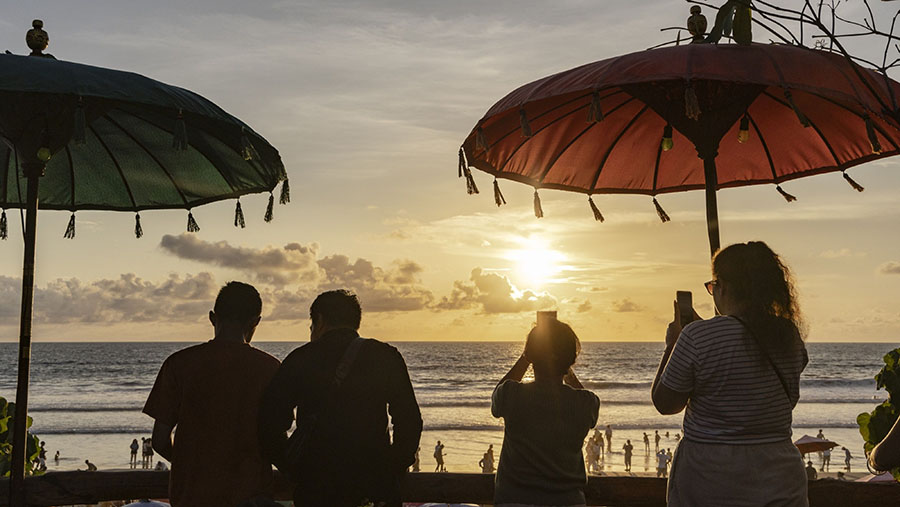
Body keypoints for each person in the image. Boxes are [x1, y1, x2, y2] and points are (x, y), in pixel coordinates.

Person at [651, 242, 809, 507]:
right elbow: (778, 399)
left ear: (722, 285)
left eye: (713, 286)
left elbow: (665, 403)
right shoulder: (787, 335)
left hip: (710, 476)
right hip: (779, 475)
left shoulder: (696, 337)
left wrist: (673, 345)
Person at [259, 290, 423, 507]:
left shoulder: (300, 359)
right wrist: (390, 468)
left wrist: (294, 469)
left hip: (318, 487)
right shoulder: (385, 356)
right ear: (355, 321)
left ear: (319, 320)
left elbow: (269, 425)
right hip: (374, 487)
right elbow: (409, 420)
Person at [143, 282, 281, 507]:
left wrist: (189, 465)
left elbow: (159, 440)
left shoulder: (179, 364)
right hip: (252, 495)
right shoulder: (270, 368)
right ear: (255, 322)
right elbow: (277, 439)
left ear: (212, 317)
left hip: (193, 496)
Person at [491, 318, 600, 507]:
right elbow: (583, 396)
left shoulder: (511, 395)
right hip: (568, 501)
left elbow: (496, 396)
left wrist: (527, 356)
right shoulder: (586, 403)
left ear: (530, 355)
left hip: (515, 500)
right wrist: (567, 368)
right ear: (571, 360)